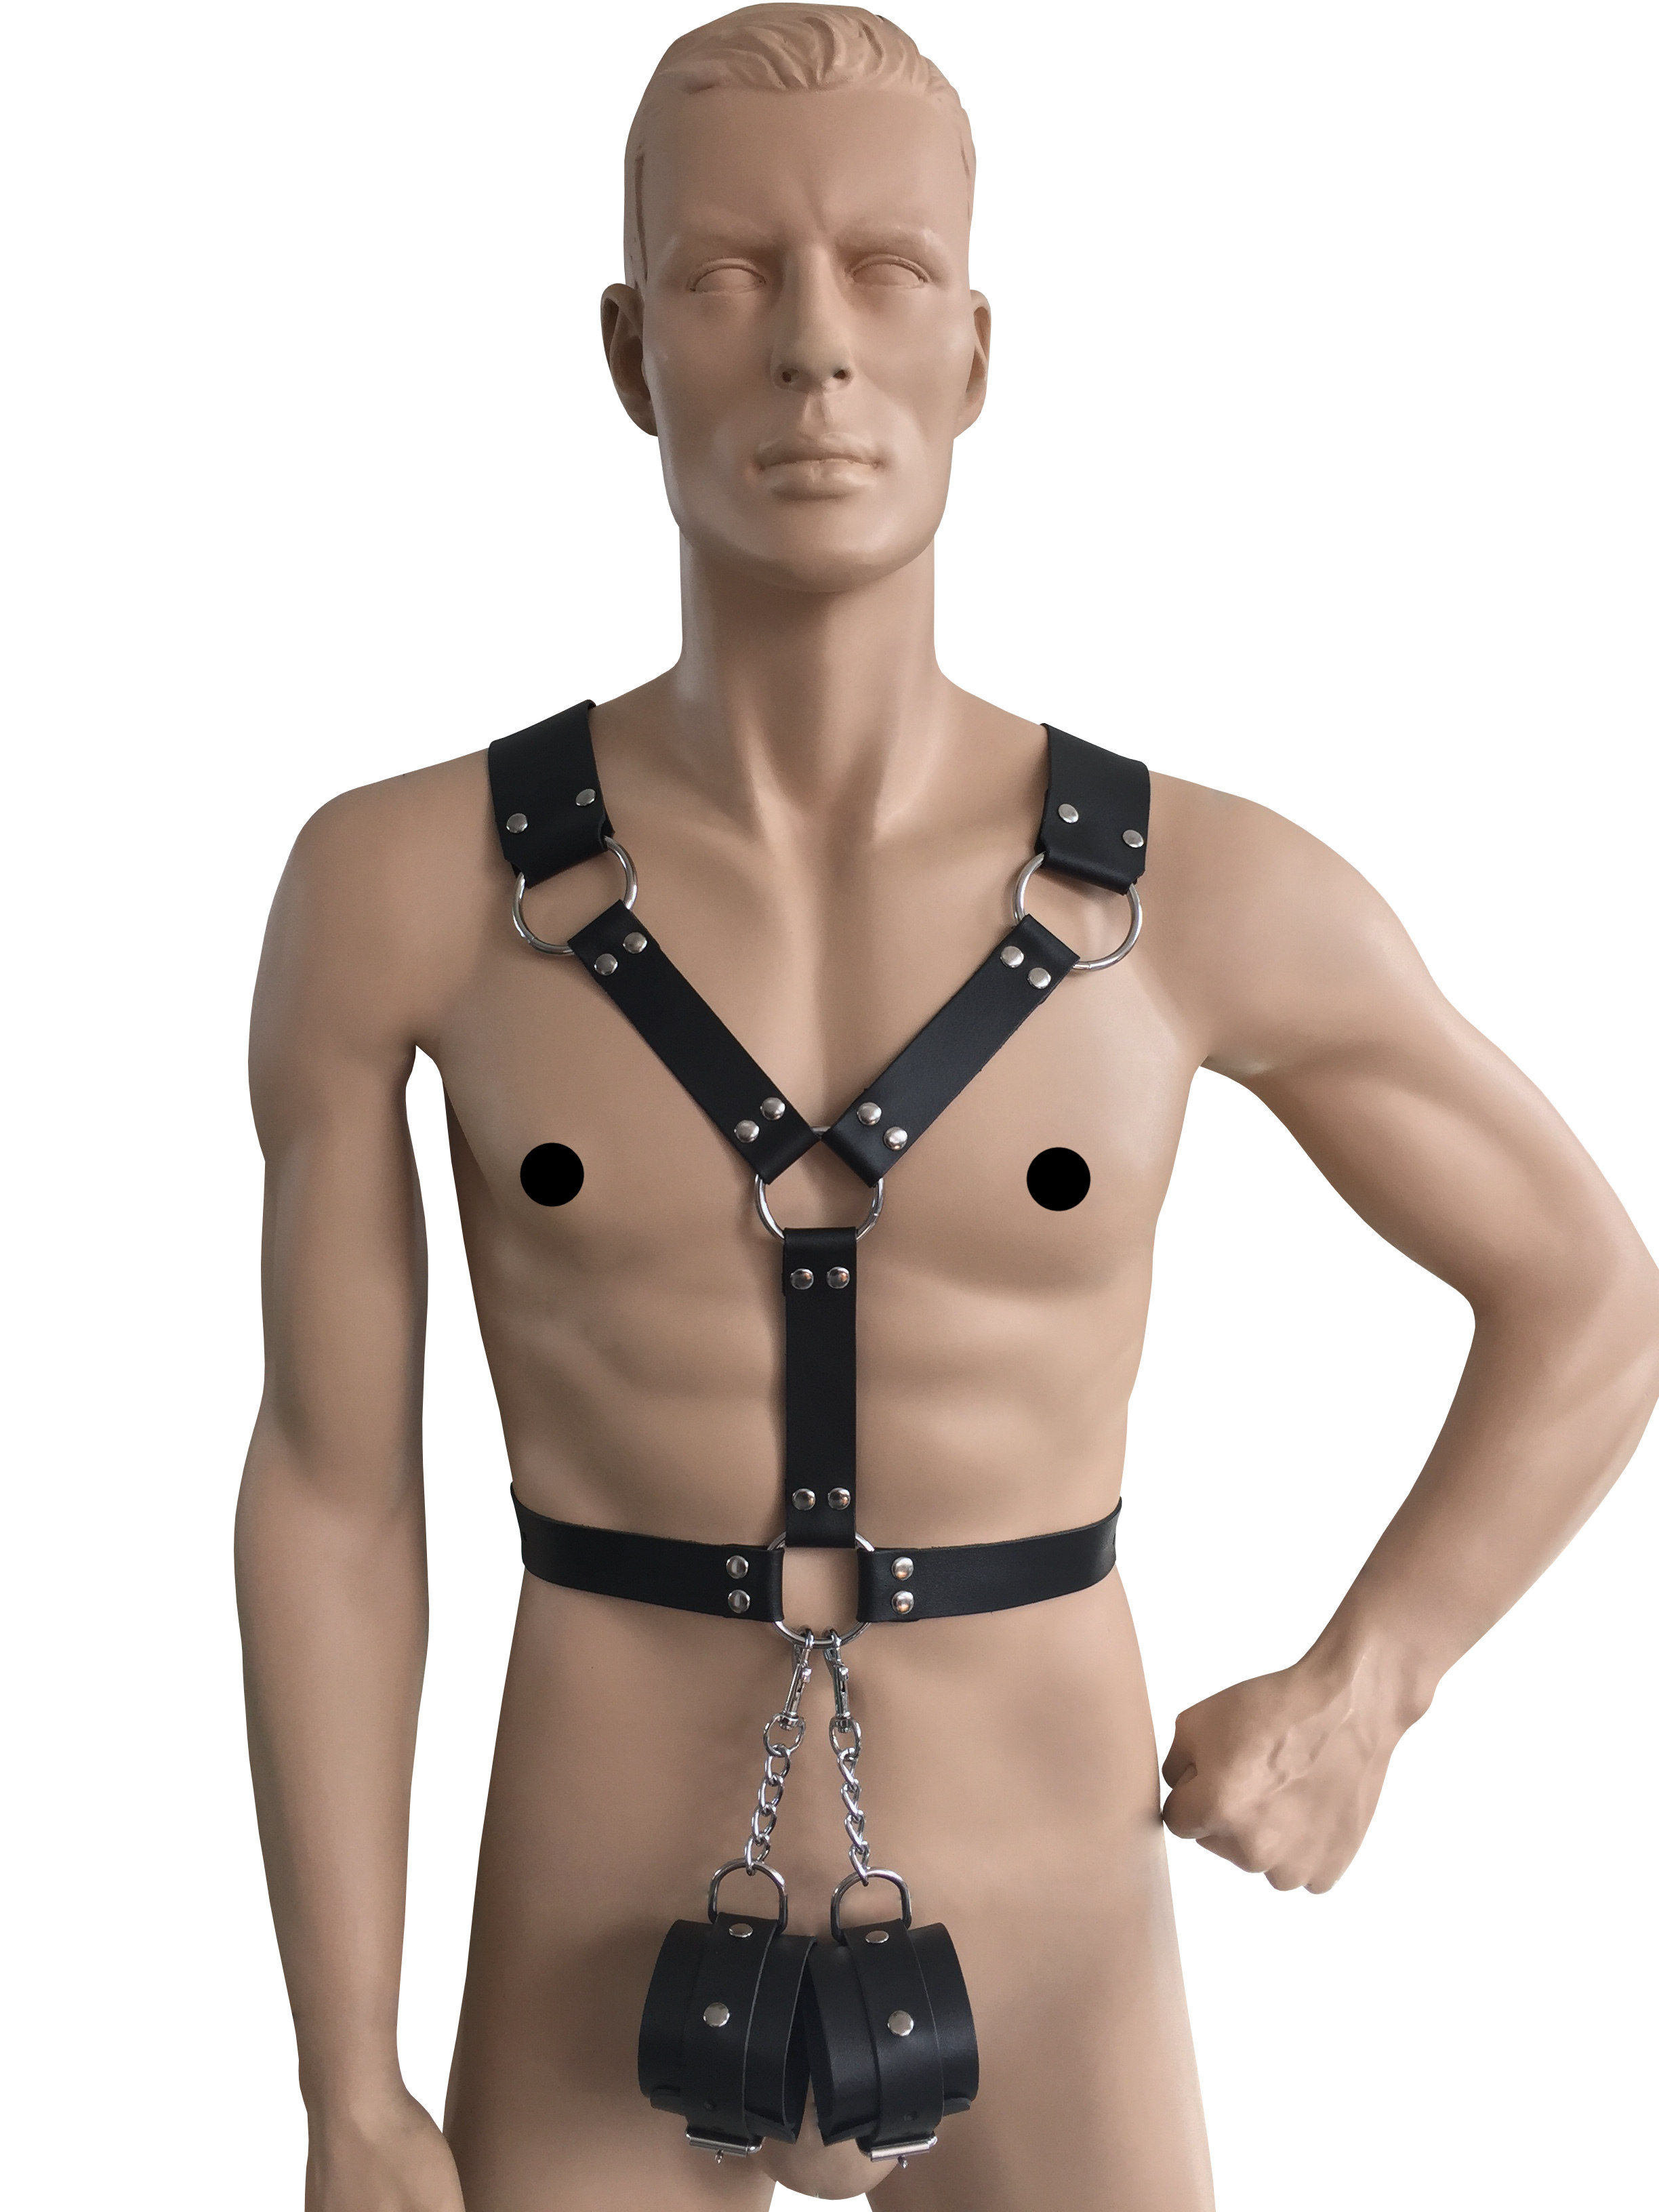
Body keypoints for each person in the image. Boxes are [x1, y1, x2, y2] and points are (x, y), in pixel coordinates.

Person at [237, 9, 1659, 2208]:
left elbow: (1590, 1291)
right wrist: (345, 2073)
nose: (815, 346)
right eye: (730, 275)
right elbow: (335, 1498)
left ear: (975, 351)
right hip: (593, 1927)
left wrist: (1373, 1682)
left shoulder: (1211, 898)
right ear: (628, 350)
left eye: (887, 270)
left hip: (1052, 1924)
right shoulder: (400, 891)